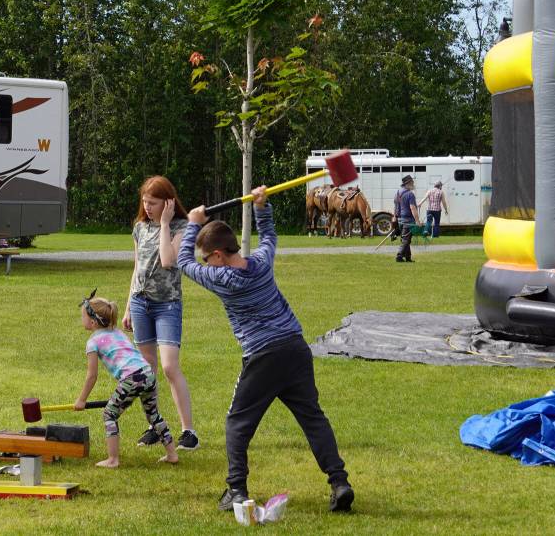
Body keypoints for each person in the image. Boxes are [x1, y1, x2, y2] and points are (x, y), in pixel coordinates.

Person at [177, 187, 353, 513]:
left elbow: (183, 263)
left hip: (263, 355)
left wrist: (193, 223)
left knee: (236, 423)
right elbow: (269, 237)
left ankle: (236, 491)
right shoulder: (260, 262)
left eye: (207, 257)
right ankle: (339, 482)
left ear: (217, 255)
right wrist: (262, 206)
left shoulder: (224, 278)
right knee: (313, 419)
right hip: (296, 349)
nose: (205, 262)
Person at [124, 176, 199, 451]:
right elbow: (137, 267)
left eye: (153, 203)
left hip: (167, 305)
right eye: (144, 201)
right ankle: (154, 426)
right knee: (147, 370)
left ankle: (189, 432)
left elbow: (169, 261)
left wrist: (165, 224)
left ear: (168, 202)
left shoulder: (183, 227)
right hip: (140, 303)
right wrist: (128, 305)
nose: (147, 207)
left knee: (169, 366)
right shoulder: (139, 228)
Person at [75, 291, 179, 468]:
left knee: (109, 414)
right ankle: (172, 454)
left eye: (83, 316)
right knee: (153, 415)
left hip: (132, 378)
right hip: (147, 373)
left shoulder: (93, 342)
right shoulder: (117, 332)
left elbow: (92, 375)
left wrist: (81, 399)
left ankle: (113, 459)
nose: (81, 319)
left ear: (92, 322)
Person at [393, 175, 421, 263]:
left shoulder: (397, 193)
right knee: (406, 240)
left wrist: (394, 217)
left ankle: (408, 258)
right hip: (408, 220)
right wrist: (417, 221)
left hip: (400, 219)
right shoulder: (410, 194)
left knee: (406, 239)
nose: (413, 184)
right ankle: (399, 255)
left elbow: (395, 207)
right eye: (412, 182)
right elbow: (413, 208)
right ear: (408, 184)